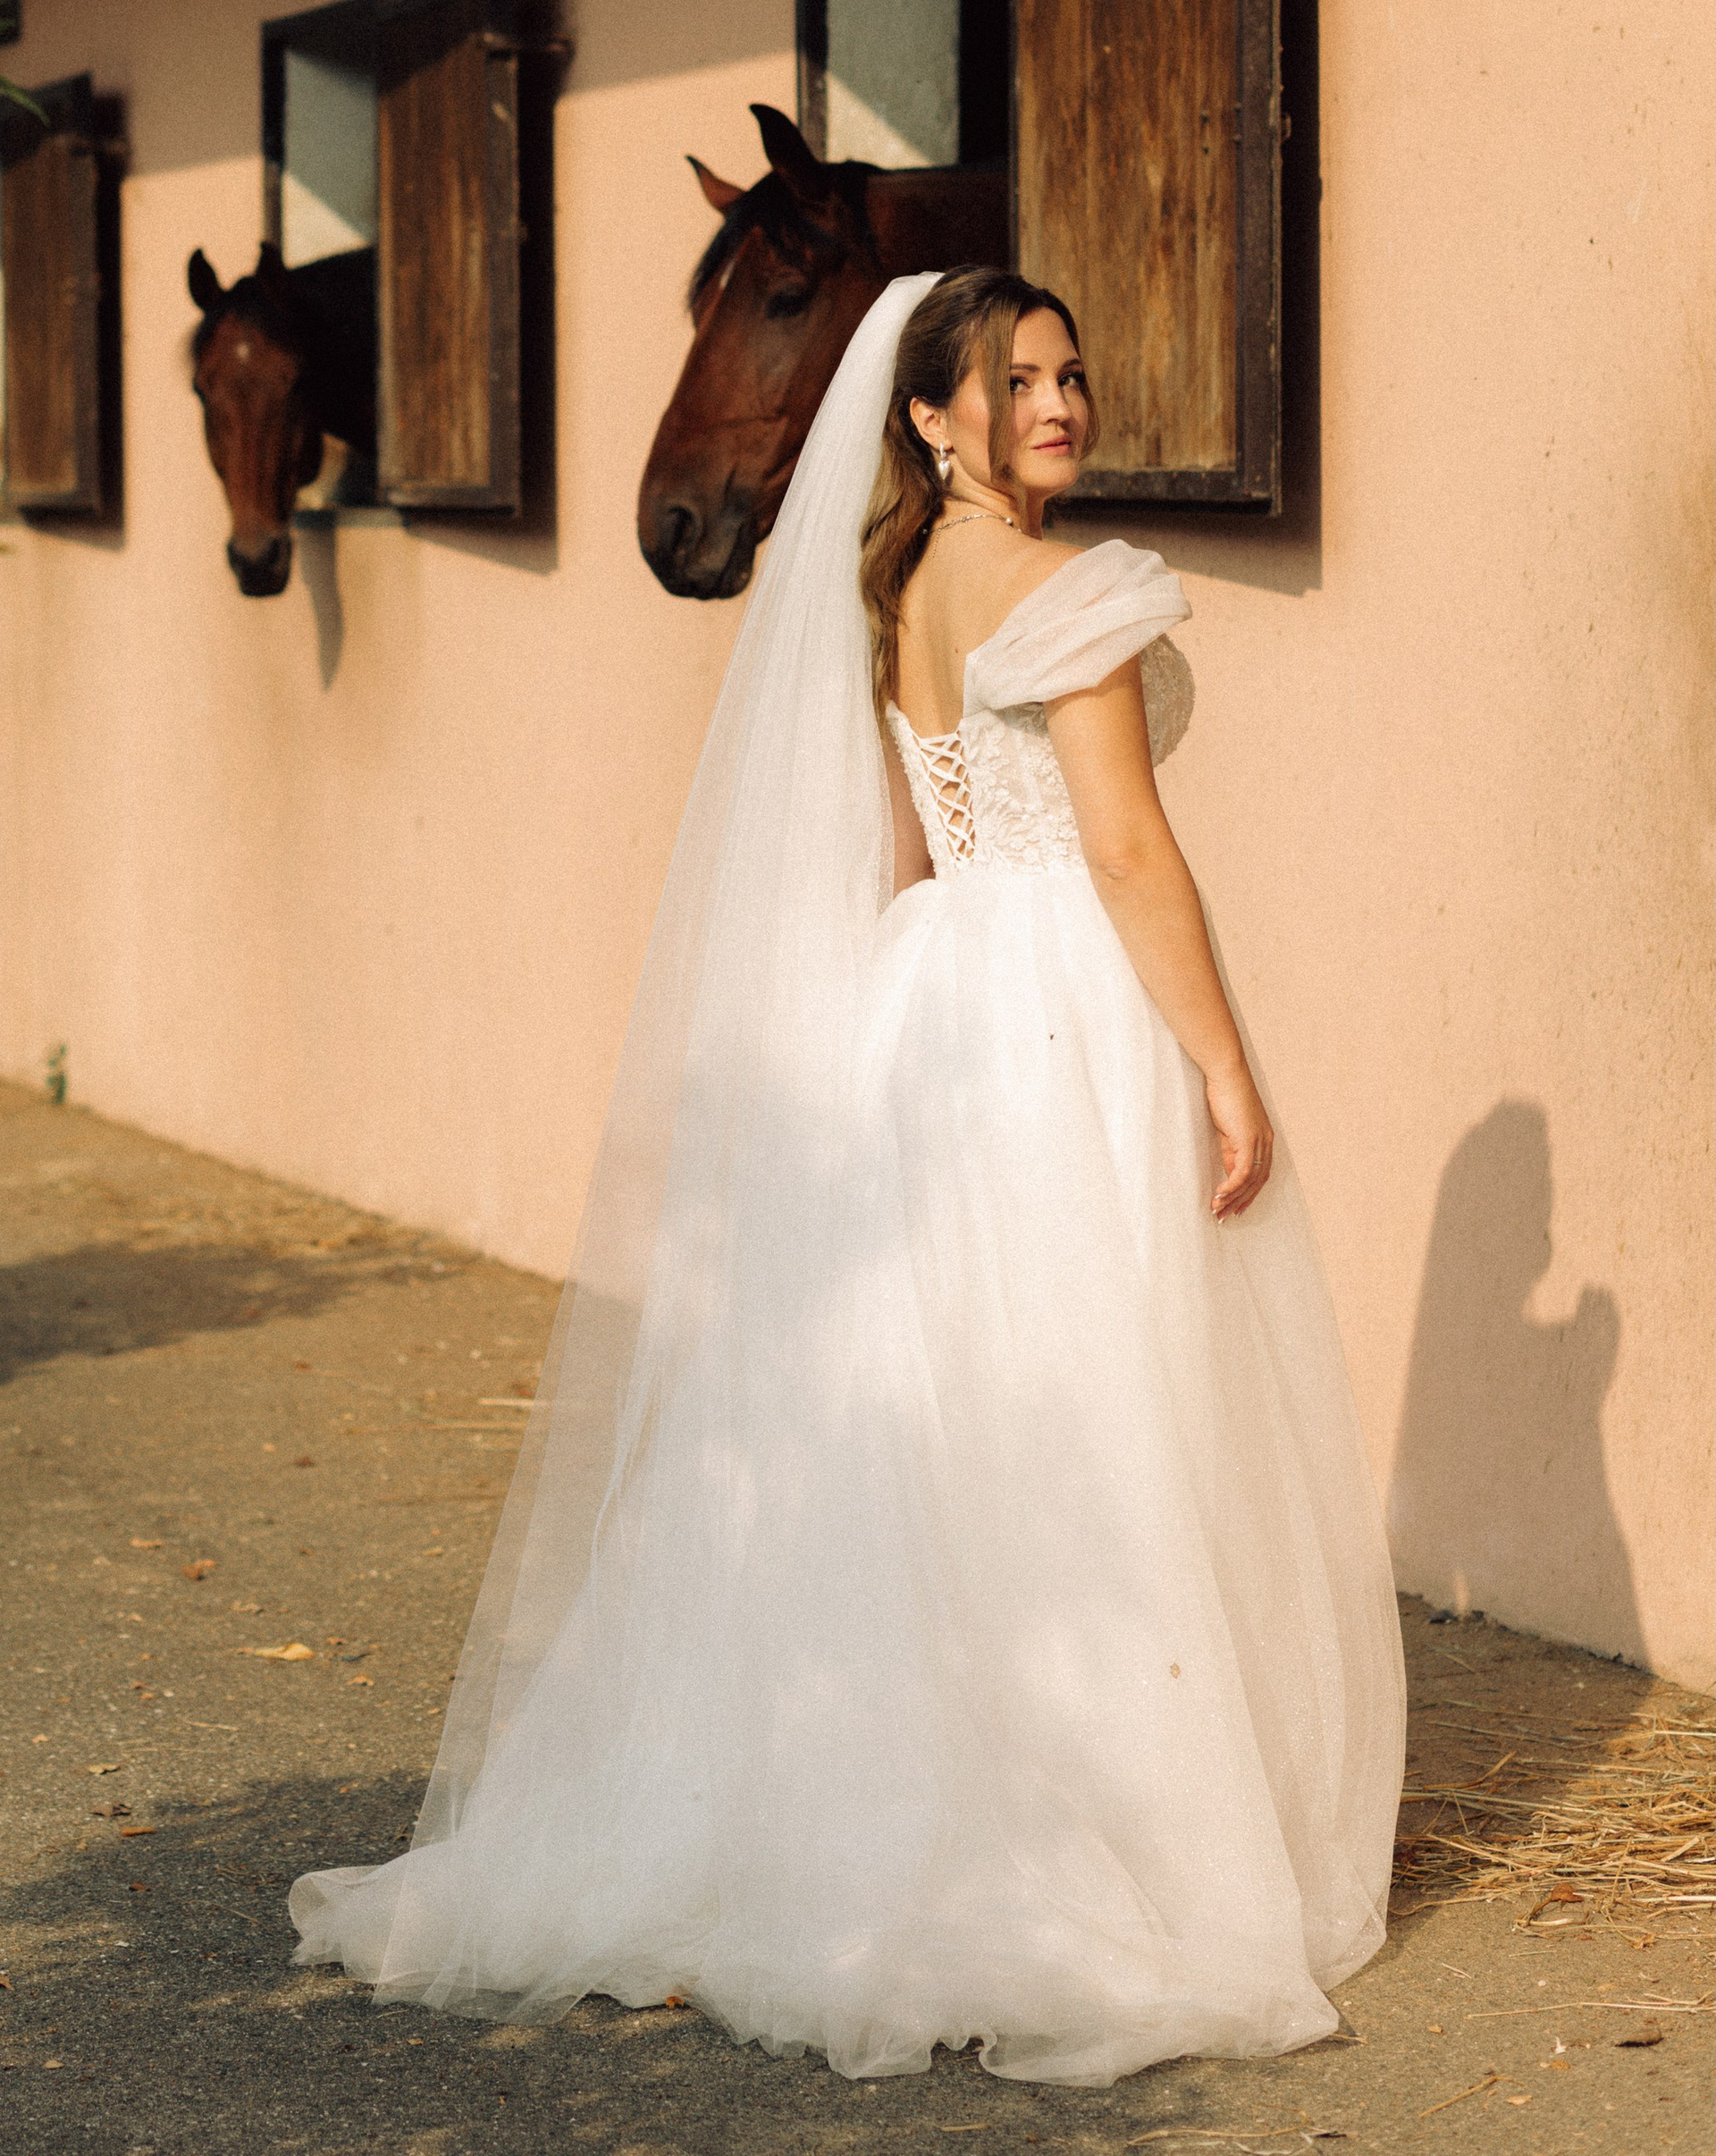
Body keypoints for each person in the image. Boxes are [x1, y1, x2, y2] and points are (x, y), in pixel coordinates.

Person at [291, 270, 1404, 2087]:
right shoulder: (1073, 592)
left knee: (931, 1421)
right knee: (1078, 1407)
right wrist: (1216, 1060)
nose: (1059, 398)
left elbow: (901, 836)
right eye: (1016, 379)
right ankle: (1087, 1835)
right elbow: (1123, 849)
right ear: (931, 418)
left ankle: (914, 1806)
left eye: (1068, 366)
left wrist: (891, 1022)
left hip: (935, 996)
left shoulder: (894, 590)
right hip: (1054, 1007)